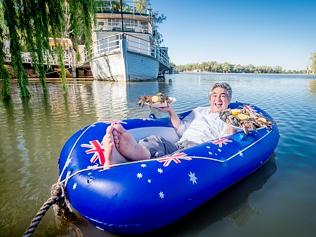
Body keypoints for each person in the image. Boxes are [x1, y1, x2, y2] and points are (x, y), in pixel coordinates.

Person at [102, 82, 234, 168]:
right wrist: (170, 110)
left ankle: (125, 160)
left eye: (223, 96)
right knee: (156, 140)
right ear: (210, 98)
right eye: (214, 95)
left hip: (198, 150)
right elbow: (181, 129)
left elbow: (228, 141)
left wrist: (232, 121)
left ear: (229, 100)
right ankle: (132, 152)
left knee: (171, 161)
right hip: (181, 143)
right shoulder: (199, 111)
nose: (218, 99)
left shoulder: (229, 119)